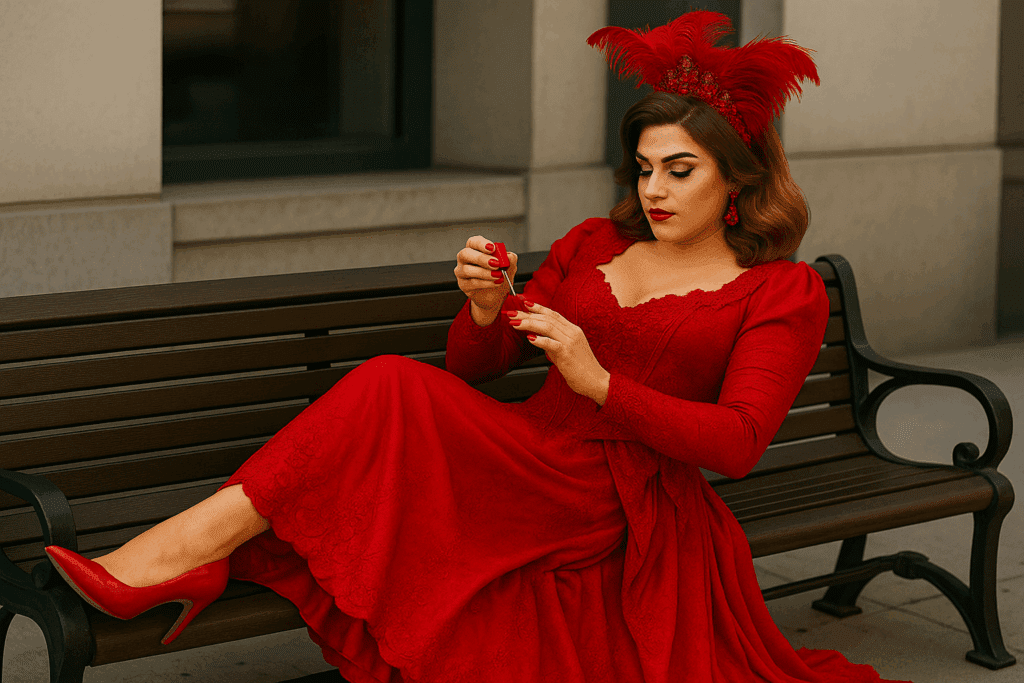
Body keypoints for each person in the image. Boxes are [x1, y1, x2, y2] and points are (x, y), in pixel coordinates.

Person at [43, 11, 912, 683]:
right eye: (642, 166)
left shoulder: (777, 290)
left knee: (387, 386)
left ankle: (173, 558)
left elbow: (739, 442)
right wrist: (489, 308)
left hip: (623, 498)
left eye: (678, 170)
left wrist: (601, 382)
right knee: (394, 382)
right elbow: (475, 370)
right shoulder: (591, 243)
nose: (652, 189)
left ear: (739, 177)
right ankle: (180, 553)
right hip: (527, 452)